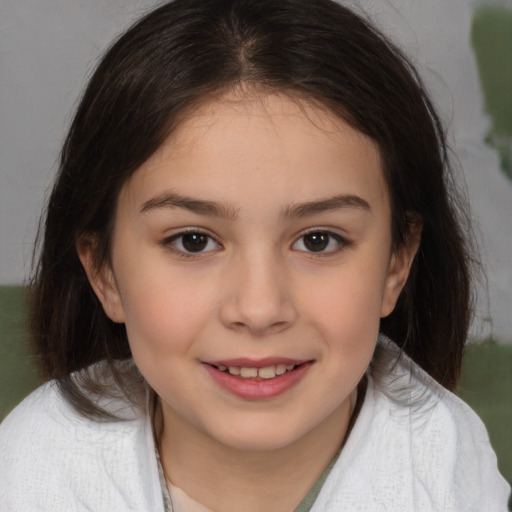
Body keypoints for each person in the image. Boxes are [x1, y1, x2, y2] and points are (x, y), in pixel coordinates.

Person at [0, 0, 509, 510]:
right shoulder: (36, 466)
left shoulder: (444, 474)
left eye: (318, 240)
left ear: (396, 264)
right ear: (104, 272)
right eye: (193, 241)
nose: (260, 308)